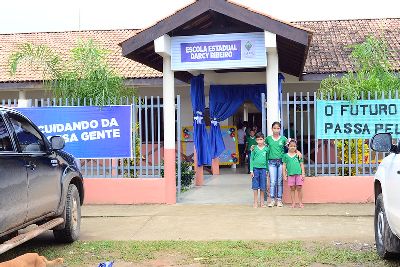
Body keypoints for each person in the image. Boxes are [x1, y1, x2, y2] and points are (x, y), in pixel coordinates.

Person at [266, 121, 302, 208]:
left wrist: (298, 152)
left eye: (278, 128)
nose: (276, 130)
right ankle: (272, 200)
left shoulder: (283, 139)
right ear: (272, 129)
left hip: (281, 162)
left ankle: (279, 200)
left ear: (280, 129)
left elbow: (291, 146)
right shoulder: (268, 139)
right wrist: (253, 147)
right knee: (273, 181)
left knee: (279, 181)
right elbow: (262, 146)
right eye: (274, 128)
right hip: (271, 163)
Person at [283, 139, 306, 208]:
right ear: (288, 147)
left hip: (298, 174)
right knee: (292, 188)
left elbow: (301, 164)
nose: (292, 147)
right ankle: (293, 203)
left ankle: (300, 202)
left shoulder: (298, 155)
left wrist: (303, 173)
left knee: (299, 187)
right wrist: (284, 175)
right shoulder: (285, 156)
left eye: (294, 146)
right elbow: (284, 165)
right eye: (291, 146)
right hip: (290, 174)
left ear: (296, 147)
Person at [249, 132, 269, 208]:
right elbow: (251, 159)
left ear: (264, 140)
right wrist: (251, 170)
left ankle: (262, 202)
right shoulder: (254, 148)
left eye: (261, 139)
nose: (259, 141)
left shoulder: (266, 149)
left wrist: (267, 170)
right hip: (255, 169)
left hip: (263, 169)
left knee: (263, 186)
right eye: (258, 140)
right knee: (255, 186)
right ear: (256, 140)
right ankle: (255, 202)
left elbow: (267, 160)